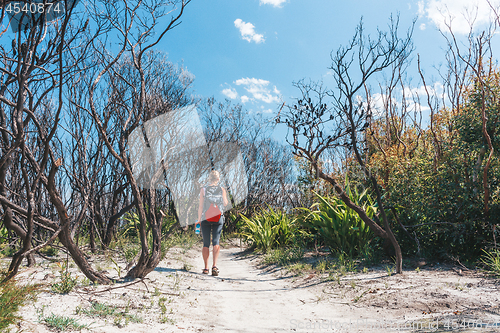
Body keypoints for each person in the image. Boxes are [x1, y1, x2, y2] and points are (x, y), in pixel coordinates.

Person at [196, 170, 228, 276]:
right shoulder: (222, 189)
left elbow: (200, 206)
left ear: (209, 178)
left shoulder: (203, 190)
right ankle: (214, 266)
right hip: (218, 218)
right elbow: (225, 203)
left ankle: (206, 268)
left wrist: (198, 219)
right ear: (218, 179)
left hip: (206, 218)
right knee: (216, 241)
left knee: (206, 243)